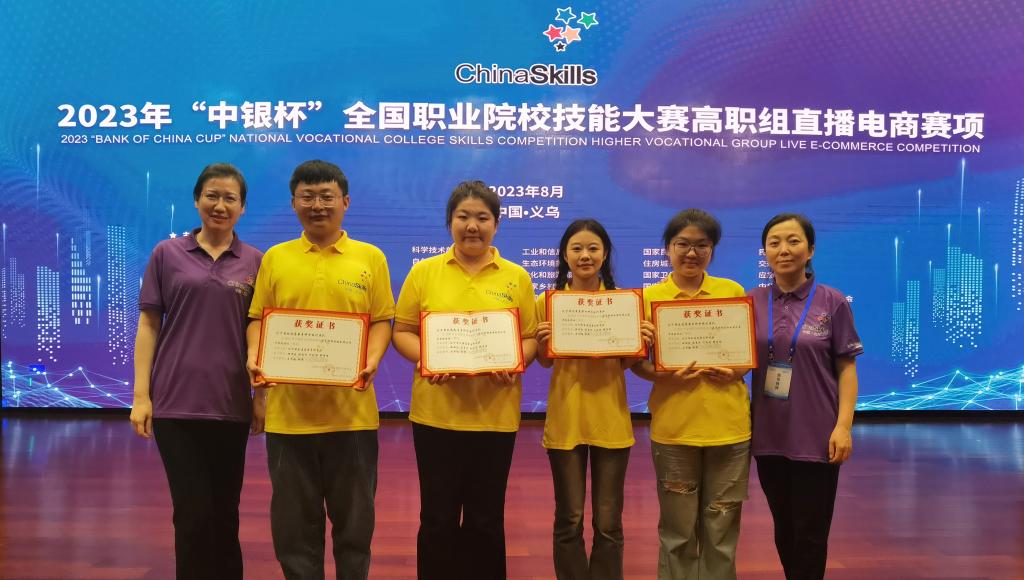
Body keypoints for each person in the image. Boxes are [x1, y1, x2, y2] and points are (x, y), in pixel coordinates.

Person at [245, 160, 395, 580]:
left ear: (345, 202)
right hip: (289, 419)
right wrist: (255, 354)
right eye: (307, 197)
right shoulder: (276, 258)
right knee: (294, 532)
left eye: (326, 196)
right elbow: (257, 317)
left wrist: (372, 359)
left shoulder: (370, 257)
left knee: (355, 529)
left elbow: (382, 319)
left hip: (353, 417)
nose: (317, 205)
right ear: (293, 203)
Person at [391, 180, 538, 580]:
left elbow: (529, 338)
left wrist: (515, 361)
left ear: (496, 224)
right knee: (437, 518)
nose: (473, 226)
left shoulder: (516, 277)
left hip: (495, 417)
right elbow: (402, 331)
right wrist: (429, 357)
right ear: (450, 221)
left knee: (486, 519)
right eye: (463, 216)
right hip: (436, 416)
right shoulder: (424, 272)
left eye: (482, 218)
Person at [130, 163, 263, 580]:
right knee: (191, 514)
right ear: (197, 200)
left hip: (230, 404)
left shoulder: (256, 261)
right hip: (175, 404)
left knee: (225, 514)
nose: (220, 205)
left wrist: (262, 398)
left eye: (230, 198)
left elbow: (262, 333)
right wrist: (141, 396)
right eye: (212, 196)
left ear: (242, 207)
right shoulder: (167, 254)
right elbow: (149, 325)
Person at [631, 209, 751, 580]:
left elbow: (744, 359)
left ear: (712, 250)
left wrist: (735, 370)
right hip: (674, 430)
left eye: (702, 245)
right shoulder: (647, 298)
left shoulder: (732, 292)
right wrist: (662, 373)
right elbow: (635, 363)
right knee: (677, 533)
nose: (692, 253)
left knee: (722, 531)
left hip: (729, 430)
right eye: (682, 244)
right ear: (668, 248)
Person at [534, 218, 652, 580]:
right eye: (577, 248)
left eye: (593, 248)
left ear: (604, 254)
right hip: (566, 420)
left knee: (609, 522)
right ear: (564, 255)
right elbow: (545, 361)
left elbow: (627, 363)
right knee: (569, 519)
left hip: (611, 420)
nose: (585, 255)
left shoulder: (624, 303)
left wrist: (641, 342)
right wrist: (543, 341)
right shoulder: (548, 302)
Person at [749, 213, 862, 580]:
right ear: (766, 252)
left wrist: (843, 427)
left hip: (817, 436)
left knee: (811, 532)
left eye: (793, 241)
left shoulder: (833, 301)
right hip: (768, 435)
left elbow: (847, 369)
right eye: (774, 242)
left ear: (810, 250)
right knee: (784, 527)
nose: (783, 249)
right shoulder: (751, 301)